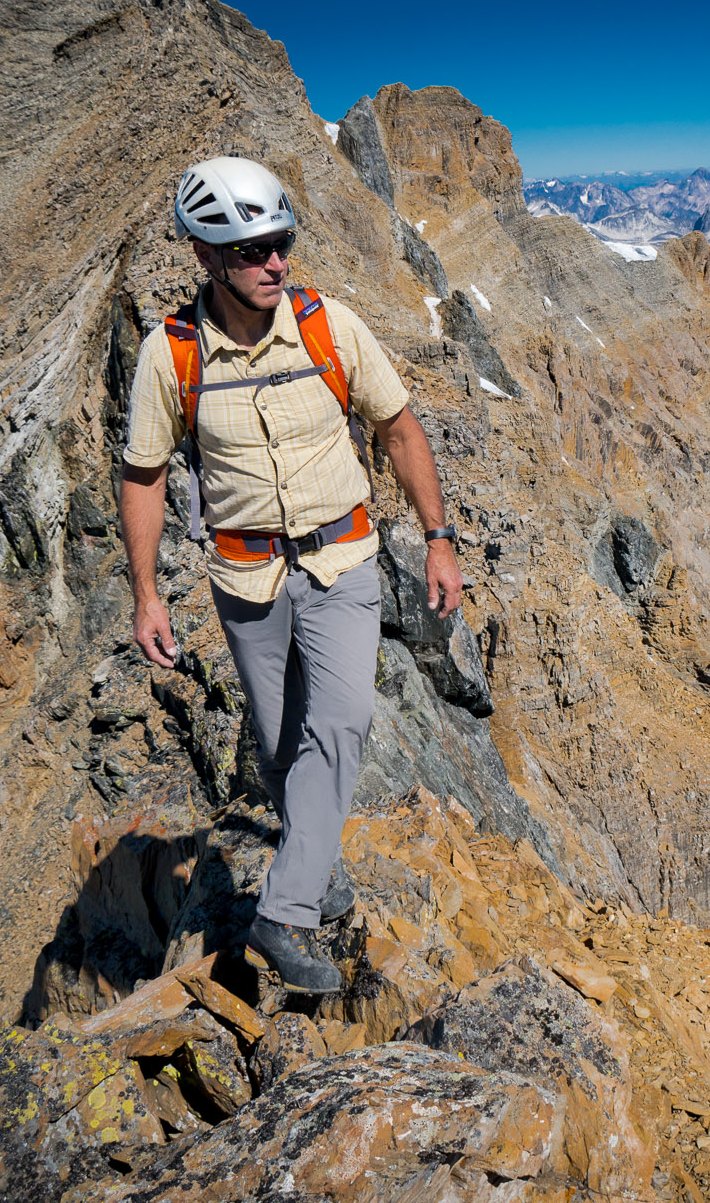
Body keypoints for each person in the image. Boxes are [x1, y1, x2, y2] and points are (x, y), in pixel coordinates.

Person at [119, 156, 463, 993]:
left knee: (339, 720)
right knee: (278, 748)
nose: (275, 261)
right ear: (206, 256)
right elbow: (144, 475)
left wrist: (439, 537)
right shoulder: (172, 356)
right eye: (252, 250)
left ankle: (283, 913)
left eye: (282, 243)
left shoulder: (330, 327)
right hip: (246, 582)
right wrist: (146, 594)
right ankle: (315, 865)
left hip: (344, 563)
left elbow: (400, 430)